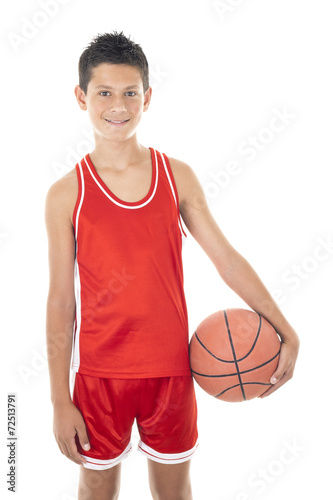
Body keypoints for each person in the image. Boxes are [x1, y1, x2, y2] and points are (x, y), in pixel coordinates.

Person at [45, 31, 300, 500]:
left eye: (130, 93)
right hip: (100, 378)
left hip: (173, 372)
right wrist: (60, 399)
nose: (118, 105)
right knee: (96, 489)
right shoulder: (67, 193)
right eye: (104, 92)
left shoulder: (175, 176)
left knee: (175, 493)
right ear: (81, 98)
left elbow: (227, 260)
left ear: (148, 98)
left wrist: (286, 328)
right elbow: (62, 301)